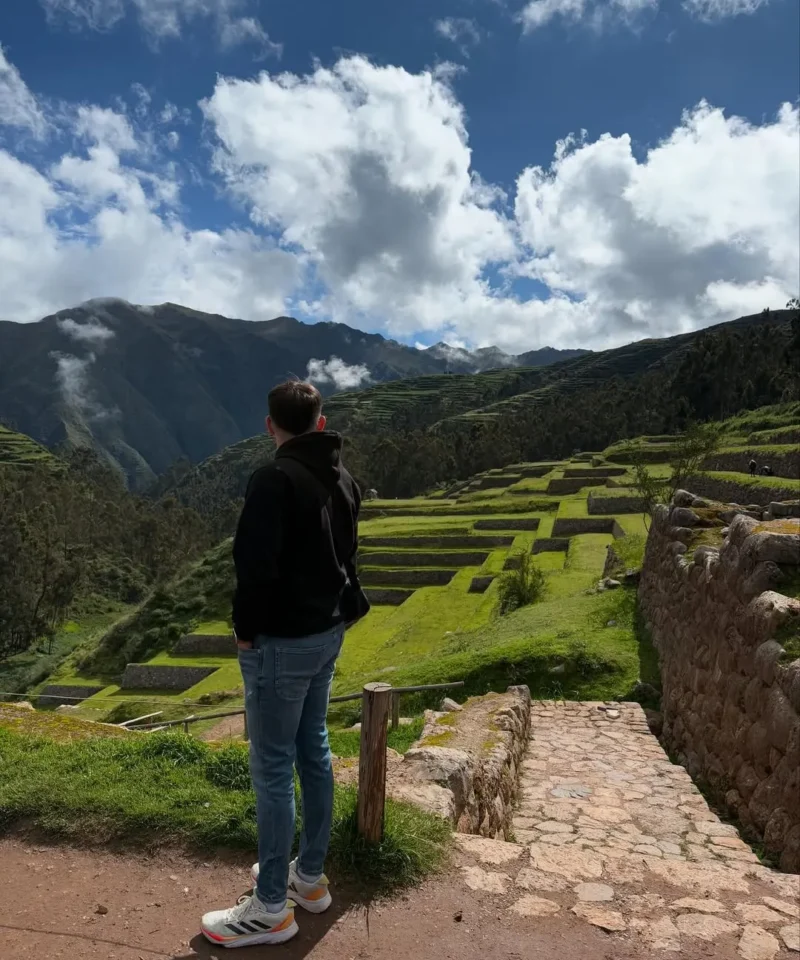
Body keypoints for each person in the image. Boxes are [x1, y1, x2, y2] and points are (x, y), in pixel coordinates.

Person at [201, 380, 364, 949]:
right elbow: (348, 555)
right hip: (326, 634)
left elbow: (255, 568)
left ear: (270, 426)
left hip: (282, 643)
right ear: (320, 423)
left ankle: (270, 907)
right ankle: (309, 879)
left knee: (272, 767)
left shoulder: (273, 478)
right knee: (313, 749)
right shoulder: (341, 477)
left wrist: (246, 634)